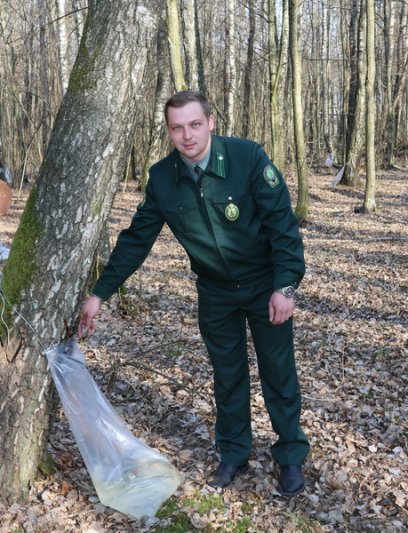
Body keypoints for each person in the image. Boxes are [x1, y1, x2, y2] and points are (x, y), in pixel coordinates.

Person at [78, 90, 309, 496]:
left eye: (194, 125)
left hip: (264, 285)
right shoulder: (163, 178)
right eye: (177, 128)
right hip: (215, 291)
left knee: (278, 372)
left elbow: (283, 227)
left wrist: (285, 287)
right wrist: (100, 293)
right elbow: (136, 240)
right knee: (227, 375)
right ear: (169, 132)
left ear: (211, 122)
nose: (187, 136)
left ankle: (289, 455)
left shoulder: (247, 158)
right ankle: (234, 453)